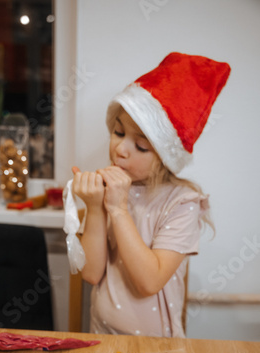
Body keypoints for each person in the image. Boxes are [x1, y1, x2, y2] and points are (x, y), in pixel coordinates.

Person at [71, 52, 230, 338]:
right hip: (101, 337)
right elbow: (91, 274)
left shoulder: (182, 203)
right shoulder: (107, 187)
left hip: (157, 349)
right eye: (118, 132)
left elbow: (149, 281)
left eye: (141, 147)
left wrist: (118, 209)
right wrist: (95, 207)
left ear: (165, 157)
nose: (120, 149)